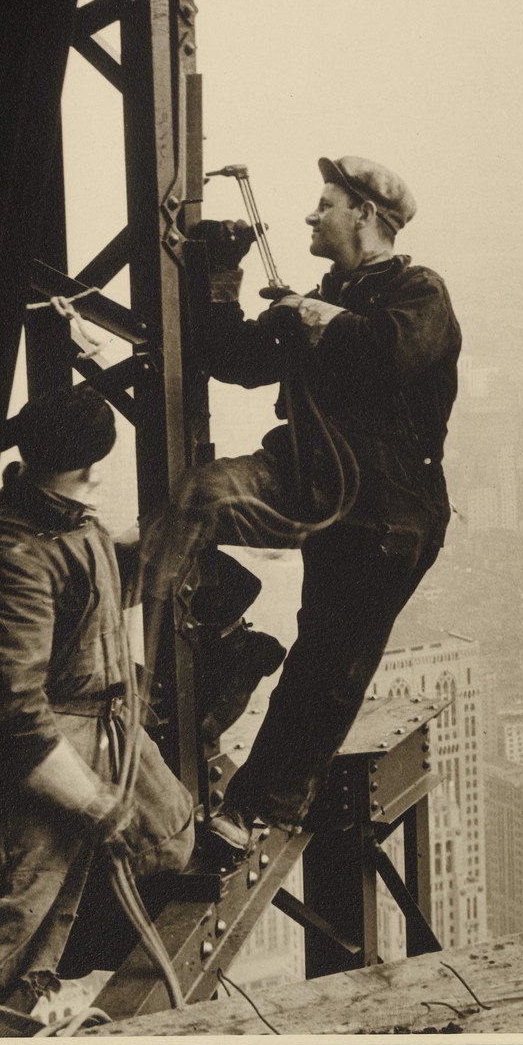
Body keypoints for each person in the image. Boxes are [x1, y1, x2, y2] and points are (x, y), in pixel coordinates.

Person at [151, 155, 461, 861]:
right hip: (313, 485)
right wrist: (220, 278)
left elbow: (384, 351)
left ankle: (261, 805)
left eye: (325, 204)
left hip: (388, 518)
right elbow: (234, 357)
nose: (310, 216)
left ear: (365, 215)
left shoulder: (418, 293)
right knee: (200, 495)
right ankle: (219, 617)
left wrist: (309, 313)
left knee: (327, 663)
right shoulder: (322, 296)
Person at [0, 382, 194, 1015]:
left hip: (111, 726)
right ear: (73, 464)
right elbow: (18, 713)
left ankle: (65, 969)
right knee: (21, 916)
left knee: (169, 837)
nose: (96, 477)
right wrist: (89, 802)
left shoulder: (70, 519)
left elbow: (97, 595)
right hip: (54, 740)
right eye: (88, 468)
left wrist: (175, 536)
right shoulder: (14, 553)